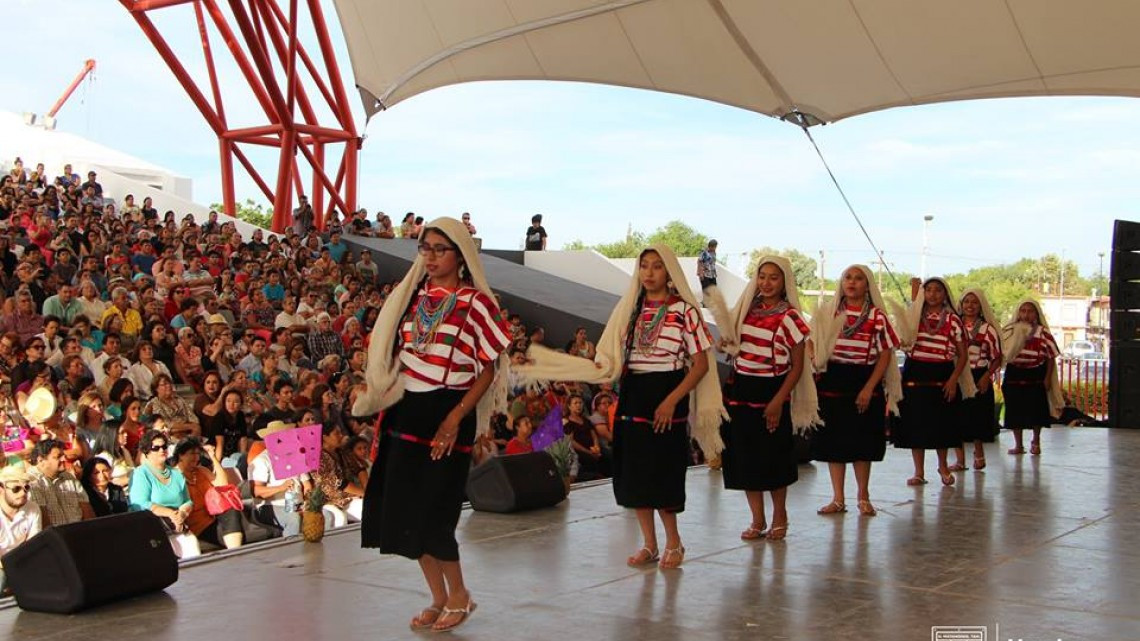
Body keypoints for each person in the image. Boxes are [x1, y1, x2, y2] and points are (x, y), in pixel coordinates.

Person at [518, 244, 725, 570]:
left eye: (657, 266)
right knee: (635, 471)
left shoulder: (685, 311)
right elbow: (613, 353)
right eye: (644, 266)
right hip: (634, 393)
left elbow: (699, 364)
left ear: (669, 272)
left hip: (668, 390)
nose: (649, 273)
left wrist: (672, 400)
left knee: (663, 470)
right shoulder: (631, 309)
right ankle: (649, 545)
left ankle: (674, 542)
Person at [355, 217, 513, 632]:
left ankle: (460, 595)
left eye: (439, 248)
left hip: (449, 410)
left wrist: (456, 417)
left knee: (435, 509)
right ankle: (439, 597)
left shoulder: (475, 303)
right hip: (407, 410)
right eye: (424, 248)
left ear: (460, 255)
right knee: (405, 508)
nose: (429, 256)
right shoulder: (412, 298)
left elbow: (487, 368)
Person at [711, 256, 818, 541]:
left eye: (773, 277)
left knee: (773, 456)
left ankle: (779, 515)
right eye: (762, 276)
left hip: (772, 390)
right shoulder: (746, 310)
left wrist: (778, 401)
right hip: (740, 389)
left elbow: (797, 367)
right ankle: (757, 519)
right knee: (744, 456)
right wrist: (727, 344)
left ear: (784, 282)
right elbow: (733, 345)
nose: (766, 283)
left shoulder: (791, 317)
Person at [808, 265, 902, 517]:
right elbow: (809, 339)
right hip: (832, 379)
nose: (852, 282)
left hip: (863, 377)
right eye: (847, 277)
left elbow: (885, 353)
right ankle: (838, 498)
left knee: (862, 441)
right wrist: (815, 358)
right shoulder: (828, 311)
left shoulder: (877, 316)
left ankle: (863, 495)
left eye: (858, 278)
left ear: (867, 284)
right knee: (834, 441)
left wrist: (869, 387)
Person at [894, 278, 973, 487]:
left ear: (945, 294)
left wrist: (953, 379)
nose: (933, 294)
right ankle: (918, 472)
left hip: (942, 374)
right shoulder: (913, 317)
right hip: (915, 372)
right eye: (928, 290)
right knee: (915, 424)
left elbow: (962, 355)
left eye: (938, 290)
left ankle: (943, 466)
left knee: (942, 425)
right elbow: (900, 341)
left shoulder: (953, 321)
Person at [1001, 299, 1063, 456]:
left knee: (1036, 411)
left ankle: (1036, 440)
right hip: (1014, 373)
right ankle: (1018, 445)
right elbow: (1001, 352)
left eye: (1030, 311)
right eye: (1023, 311)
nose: (1026, 314)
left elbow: (1051, 356)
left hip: (1035, 374)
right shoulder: (1009, 330)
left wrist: (1047, 378)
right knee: (1014, 410)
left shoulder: (1043, 332)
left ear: (1036, 314)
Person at [953, 289, 1004, 470]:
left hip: (979, 374)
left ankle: (979, 453)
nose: (970, 306)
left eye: (974, 302)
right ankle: (960, 460)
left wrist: (986, 377)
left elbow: (997, 357)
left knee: (978, 418)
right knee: (956, 417)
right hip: (958, 376)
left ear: (981, 306)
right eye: (966, 301)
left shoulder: (988, 329)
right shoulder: (954, 324)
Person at [172, 438, 244, 549]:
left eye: (197, 454)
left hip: (214, 519)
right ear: (181, 455)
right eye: (192, 454)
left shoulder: (201, 470)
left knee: (231, 509)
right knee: (239, 535)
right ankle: (236, 551)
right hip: (197, 527)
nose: (196, 458)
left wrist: (213, 457)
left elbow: (222, 484)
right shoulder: (174, 477)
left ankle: (235, 550)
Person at [129, 430, 196, 542]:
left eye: (164, 446)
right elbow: (140, 504)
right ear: (146, 452)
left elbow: (187, 501)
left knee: (192, 544)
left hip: (178, 523)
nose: (162, 450)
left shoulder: (177, 473)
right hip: (152, 525)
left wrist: (182, 514)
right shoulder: (140, 473)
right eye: (156, 448)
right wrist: (171, 514)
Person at [27, 439, 94, 527]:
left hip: (79, 531)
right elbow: (42, 519)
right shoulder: (32, 481)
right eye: (58, 457)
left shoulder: (69, 477)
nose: (64, 459)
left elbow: (86, 508)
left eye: (63, 455)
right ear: (41, 460)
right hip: (55, 536)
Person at [1, 465, 42, 593]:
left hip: (21, 563)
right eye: (16, 489)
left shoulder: (33, 509)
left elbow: (32, 545)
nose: (23, 493)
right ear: (1, 489)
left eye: (26, 488)